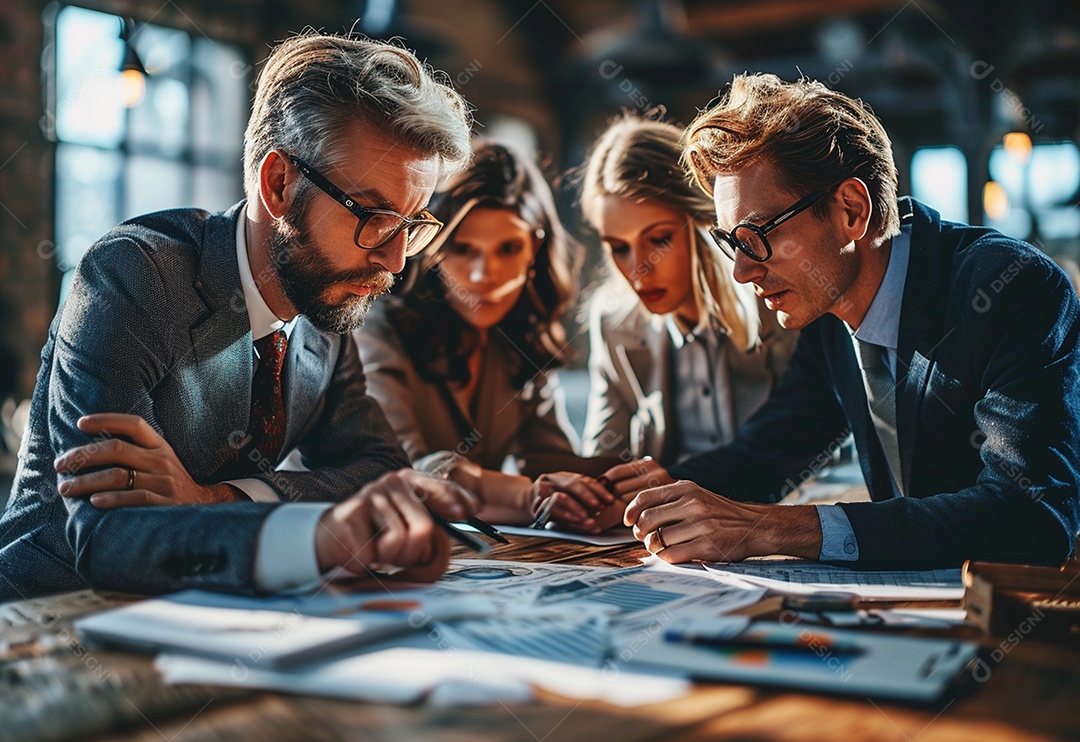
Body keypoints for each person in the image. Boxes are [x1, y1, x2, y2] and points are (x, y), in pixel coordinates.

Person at [0, 32, 477, 603]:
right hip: (48, 615)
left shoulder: (324, 300)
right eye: (374, 216)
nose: (395, 260)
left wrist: (220, 499)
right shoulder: (135, 275)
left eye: (411, 224)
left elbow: (378, 470)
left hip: (206, 616)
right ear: (279, 185)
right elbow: (108, 535)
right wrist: (313, 535)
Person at [619, 73, 1080, 570]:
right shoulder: (825, 306)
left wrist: (771, 528)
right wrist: (640, 493)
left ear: (851, 210)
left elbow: (1033, 515)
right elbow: (770, 452)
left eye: (756, 236)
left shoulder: (1012, 288)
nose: (741, 271)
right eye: (732, 243)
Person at [356, 140, 613, 524]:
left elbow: (548, 460)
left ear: (534, 250)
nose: (482, 276)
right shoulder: (377, 329)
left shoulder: (518, 335)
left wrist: (623, 481)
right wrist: (529, 495)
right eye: (463, 249)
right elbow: (404, 469)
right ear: (432, 251)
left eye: (507, 249)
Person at [578, 114, 796, 468]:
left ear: (703, 222)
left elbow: (812, 452)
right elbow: (603, 458)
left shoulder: (778, 302)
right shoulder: (614, 321)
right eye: (619, 247)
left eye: (659, 239)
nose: (638, 270)